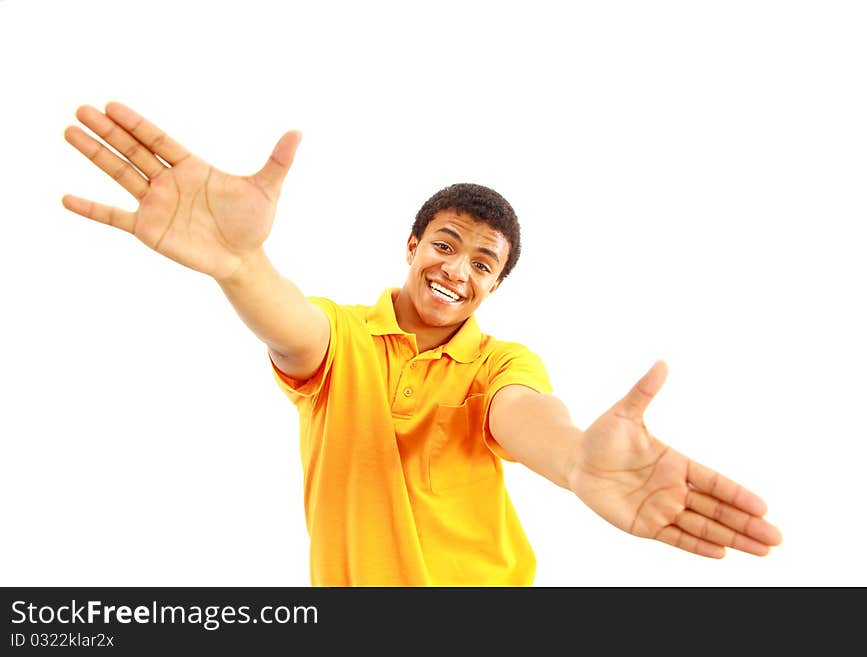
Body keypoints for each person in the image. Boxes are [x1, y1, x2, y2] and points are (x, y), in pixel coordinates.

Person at [62, 101, 783, 586]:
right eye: (445, 244)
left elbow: (528, 416)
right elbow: (291, 323)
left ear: (494, 287)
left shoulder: (500, 363)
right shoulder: (343, 339)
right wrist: (238, 263)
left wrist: (573, 461)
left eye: (482, 263)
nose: (456, 270)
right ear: (412, 246)